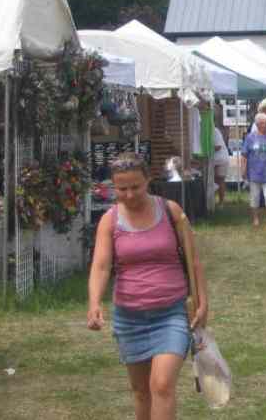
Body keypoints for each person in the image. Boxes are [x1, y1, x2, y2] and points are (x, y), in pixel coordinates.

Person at [87, 153, 208, 419]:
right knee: (141, 391)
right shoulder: (110, 220)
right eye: (122, 189)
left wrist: (203, 303)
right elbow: (101, 266)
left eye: (135, 187)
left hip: (171, 313)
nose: (129, 195)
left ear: (148, 181)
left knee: (162, 386)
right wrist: (94, 303)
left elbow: (194, 261)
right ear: (113, 186)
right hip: (129, 318)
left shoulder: (171, 211)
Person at [241, 113, 266, 227]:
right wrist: (243, 170)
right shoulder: (250, 137)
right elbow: (244, 155)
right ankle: (255, 218)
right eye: (264, 123)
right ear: (258, 124)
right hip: (254, 172)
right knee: (254, 196)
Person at [213, 124, 229, 205]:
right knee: (216, 180)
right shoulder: (214, 130)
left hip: (221, 158)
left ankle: (221, 201)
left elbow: (218, 146)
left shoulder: (215, 131)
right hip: (217, 159)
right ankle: (216, 201)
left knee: (220, 180)